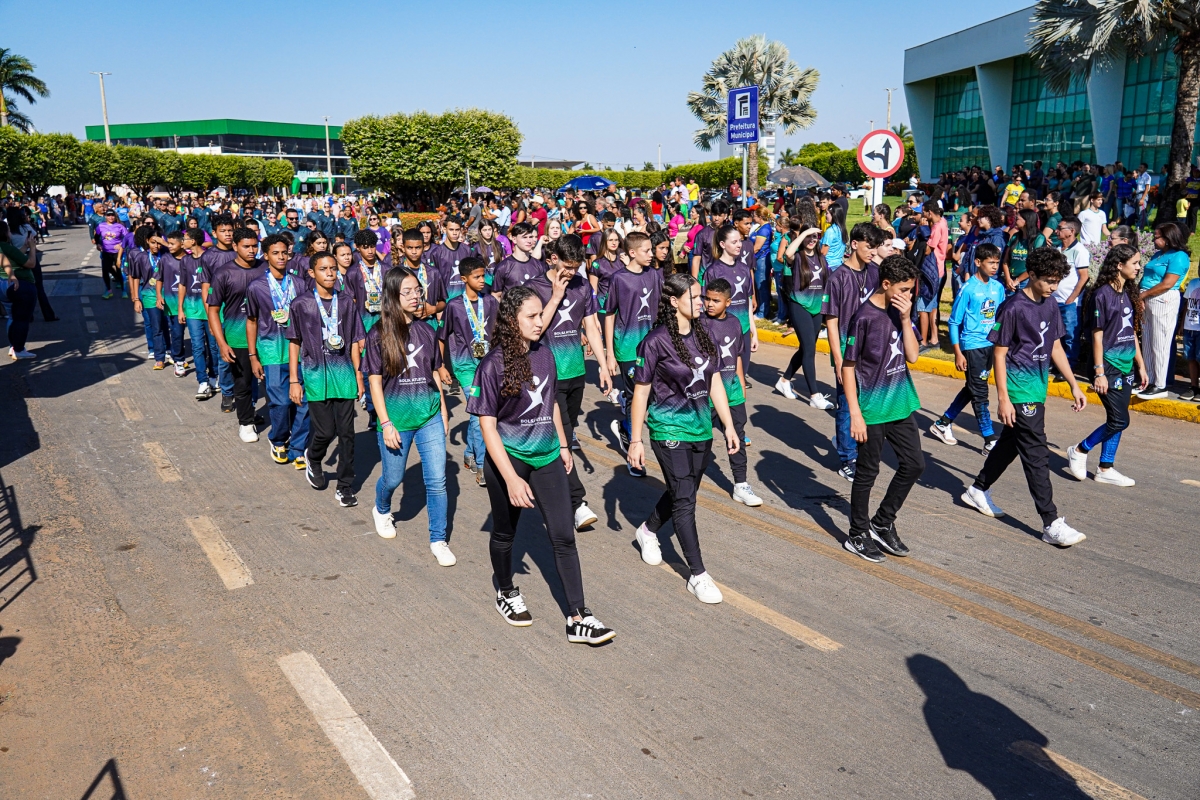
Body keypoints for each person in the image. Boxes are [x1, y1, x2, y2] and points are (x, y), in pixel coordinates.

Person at [465, 285, 616, 644]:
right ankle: (506, 590)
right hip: (510, 459)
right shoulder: (492, 364)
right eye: (531, 316)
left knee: (563, 536)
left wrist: (563, 444)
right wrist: (511, 479)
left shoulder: (545, 354)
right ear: (511, 321)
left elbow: (550, 405)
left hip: (547, 455)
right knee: (505, 533)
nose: (540, 322)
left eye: (540, 315)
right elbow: (487, 425)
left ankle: (578, 617)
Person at [959, 247, 1089, 548]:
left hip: (1037, 387)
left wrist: (1073, 384)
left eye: (1057, 281)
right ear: (1031, 275)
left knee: (1010, 443)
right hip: (1019, 390)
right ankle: (1050, 522)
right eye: (1048, 281)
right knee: (1036, 453)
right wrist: (1003, 398)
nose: (1054, 287)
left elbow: (1055, 345)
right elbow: (999, 354)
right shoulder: (1013, 307)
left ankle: (978, 490)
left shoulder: (1050, 304)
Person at [627, 273, 739, 604]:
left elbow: (714, 381)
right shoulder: (655, 341)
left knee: (682, 491)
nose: (701, 302)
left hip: (701, 428)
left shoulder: (705, 334)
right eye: (694, 297)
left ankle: (648, 530)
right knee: (686, 499)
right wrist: (636, 440)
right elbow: (640, 392)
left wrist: (729, 426)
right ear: (674, 302)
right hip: (668, 428)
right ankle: (698, 575)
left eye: (701, 296)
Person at [365, 267, 454, 566]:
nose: (416, 296)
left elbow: (433, 373)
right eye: (408, 292)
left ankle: (438, 539)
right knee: (393, 478)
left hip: (429, 415)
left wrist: (443, 409)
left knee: (438, 480)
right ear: (393, 296)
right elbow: (375, 382)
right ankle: (381, 508)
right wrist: (386, 423)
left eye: (418, 290)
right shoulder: (377, 334)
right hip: (396, 420)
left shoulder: (427, 330)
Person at [841, 254, 925, 562]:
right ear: (886, 284)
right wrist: (855, 414)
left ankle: (882, 522)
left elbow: (913, 356)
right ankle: (857, 534)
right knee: (867, 472)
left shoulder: (900, 312)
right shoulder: (864, 317)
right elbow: (847, 367)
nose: (908, 295)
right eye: (904, 290)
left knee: (914, 464)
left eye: (911, 290)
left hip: (900, 402)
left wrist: (905, 318)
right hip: (872, 408)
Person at [527, 234, 610, 530]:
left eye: (576, 267)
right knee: (561, 437)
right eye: (567, 266)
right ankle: (577, 503)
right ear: (553, 259)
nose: (571, 272)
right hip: (547, 376)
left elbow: (591, 327)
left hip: (575, 372)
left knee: (566, 435)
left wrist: (603, 365)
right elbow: (535, 331)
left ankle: (542, 479)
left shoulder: (582, 285)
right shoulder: (534, 288)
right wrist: (556, 296)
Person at [288, 252, 367, 507]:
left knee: (347, 434)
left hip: (344, 375)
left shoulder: (346, 302)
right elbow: (294, 342)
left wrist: (358, 375)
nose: (330, 273)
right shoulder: (301, 304)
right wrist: (294, 380)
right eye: (323, 269)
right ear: (312, 273)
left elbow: (354, 341)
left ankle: (345, 485)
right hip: (315, 375)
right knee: (325, 431)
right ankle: (314, 456)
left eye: (333, 268)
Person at [1066, 244, 1147, 487]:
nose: (1138, 267)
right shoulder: (1101, 294)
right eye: (1134, 263)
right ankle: (1080, 449)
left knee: (1117, 417)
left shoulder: (1128, 292)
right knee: (1120, 420)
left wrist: (1140, 365)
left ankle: (1105, 468)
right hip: (1107, 365)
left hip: (1126, 364)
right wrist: (1099, 372)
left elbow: (1131, 331)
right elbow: (1097, 336)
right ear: (1119, 265)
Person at [823, 223, 886, 481]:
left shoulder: (875, 273)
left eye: (876, 247)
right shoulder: (837, 278)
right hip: (846, 352)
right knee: (847, 405)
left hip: (871, 351)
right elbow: (831, 321)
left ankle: (861, 448)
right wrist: (838, 359)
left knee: (869, 402)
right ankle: (847, 457)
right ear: (854, 244)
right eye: (869, 246)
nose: (873, 252)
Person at [930, 243, 1005, 450]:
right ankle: (989, 439)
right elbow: (954, 322)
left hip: (991, 345)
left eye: (997, 263)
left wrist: (998, 338)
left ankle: (943, 423)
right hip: (972, 346)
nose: (995, 267)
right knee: (980, 392)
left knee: (973, 386)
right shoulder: (968, 289)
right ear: (978, 262)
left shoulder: (998, 288)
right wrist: (958, 352)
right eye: (990, 263)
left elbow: (1000, 318)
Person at [247, 233, 309, 467]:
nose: (281, 257)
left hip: (299, 352)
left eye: (284, 252)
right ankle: (278, 439)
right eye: (275, 253)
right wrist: (253, 356)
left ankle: (298, 446)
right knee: (281, 402)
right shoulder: (256, 287)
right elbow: (252, 321)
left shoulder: (300, 283)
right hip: (271, 351)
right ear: (266, 256)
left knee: (303, 402)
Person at [605, 231, 663, 475]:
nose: (651, 254)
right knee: (635, 397)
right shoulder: (619, 279)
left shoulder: (654, 274)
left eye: (651, 250)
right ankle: (633, 450)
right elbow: (609, 314)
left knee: (652, 396)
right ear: (632, 252)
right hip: (628, 348)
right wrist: (609, 353)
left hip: (653, 346)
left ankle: (625, 428)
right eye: (646, 250)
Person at [439, 256, 498, 487]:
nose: (482, 280)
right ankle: (483, 466)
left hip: (488, 366)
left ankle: (470, 452)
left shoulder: (490, 301)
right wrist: (441, 366)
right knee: (478, 413)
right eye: (477, 277)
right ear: (464, 279)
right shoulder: (454, 306)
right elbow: (441, 337)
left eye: (484, 275)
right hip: (465, 368)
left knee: (483, 413)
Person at [703, 278, 762, 507]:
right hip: (706, 396)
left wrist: (741, 384)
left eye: (715, 300)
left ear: (728, 302)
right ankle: (687, 480)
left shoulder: (735, 323)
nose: (709, 304)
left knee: (736, 437)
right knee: (700, 442)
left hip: (732, 393)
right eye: (707, 299)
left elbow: (736, 356)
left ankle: (740, 484)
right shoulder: (699, 323)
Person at [207, 228, 267, 441]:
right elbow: (213, 310)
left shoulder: (266, 268)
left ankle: (275, 421)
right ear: (235, 246)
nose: (252, 250)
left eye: (255, 246)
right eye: (246, 246)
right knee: (243, 383)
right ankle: (246, 423)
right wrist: (222, 343)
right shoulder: (223, 273)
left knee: (273, 383)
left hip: (267, 338)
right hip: (237, 338)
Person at [776, 227, 833, 408]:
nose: (811, 240)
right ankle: (815, 396)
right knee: (809, 349)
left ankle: (784, 380)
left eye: (815, 237)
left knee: (806, 349)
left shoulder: (821, 258)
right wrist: (803, 234)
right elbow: (788, 253)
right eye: (808, 236)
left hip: (816, 308)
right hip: (799, 305)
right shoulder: (798, 257)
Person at [1136, 222, 1190, 399]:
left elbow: (1167, 283)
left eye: (1157, 236)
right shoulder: (1158, 254)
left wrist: (1142, 296)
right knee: (1148, 341)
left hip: (1163, 299)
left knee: (1160, 343)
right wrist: (1140, 296)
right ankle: (1148, 380)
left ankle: (1160, 384)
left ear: (1168, 238)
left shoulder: (1179, 256)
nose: (1153, 239)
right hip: (1147, 299)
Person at [704, 224, 758, 401]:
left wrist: (753, 331)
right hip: (720, 332)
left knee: (740, 377)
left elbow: (748, 301)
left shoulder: (744, 268)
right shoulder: (713, 271)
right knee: (720, 378)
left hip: (743, 330)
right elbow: (707, 305)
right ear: (722, 244)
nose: (739, 245)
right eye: (734, 242)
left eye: (740, 241)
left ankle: (737, 409)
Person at [200, 214, 240, 412]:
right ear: (214, 233)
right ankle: (227, 392)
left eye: (230, 230)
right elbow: (205, 288)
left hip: (240, 314)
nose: (227, 234)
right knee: (224, 356)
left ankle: (245, 395)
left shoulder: (240, 251)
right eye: (223, 231)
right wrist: (210, 317)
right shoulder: (208, 257)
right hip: (220, 314)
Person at [178, 228, 218, 399]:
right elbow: (182, 285)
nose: (182, 242)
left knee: (213, 346)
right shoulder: (185, 260)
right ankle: (202, 381)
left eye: (185, 239)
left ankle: (214, 376)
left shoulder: (210, 257)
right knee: (197, 346)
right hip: (192, 310)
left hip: (210, 310)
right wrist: (181, 308)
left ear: (193, 241)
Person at [129, 227, 172, 369]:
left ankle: (171, 351)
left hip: (168, 295)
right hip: (149, 295)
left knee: (169, 325)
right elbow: (135, 277)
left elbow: (182, 251)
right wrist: (136, 299)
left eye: (158, 243)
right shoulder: (141, 257)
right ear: (147, 241)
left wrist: (165, 243)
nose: (156, 246)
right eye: (153, 242)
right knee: (156, 326)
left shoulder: (166, 254)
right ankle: (159, 357)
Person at [1053, 218, 1091, 372]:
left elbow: (1084, 277)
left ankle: (1068, 367)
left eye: (1060, 228)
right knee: (1056, 335)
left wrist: (1072, 298)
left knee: (1070, 335)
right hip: (1054, 300)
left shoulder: (1080, 251)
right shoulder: (1057, 249)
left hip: (1070, 303)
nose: (1056, 231)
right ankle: (1057, 364)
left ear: (1071, 231)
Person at [1, 221, 36, 359]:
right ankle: (19, 349)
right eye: (8, 230)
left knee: (12, 317)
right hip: (16, 284)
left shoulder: (4, 248)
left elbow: (15, 256)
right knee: (22, 318)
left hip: (2, 285)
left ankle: (13, 346)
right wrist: (32, 248)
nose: (10, 233)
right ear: (4, 233)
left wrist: (25, 246)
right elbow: (31, 263)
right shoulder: (5, 246)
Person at [157, 231, 189, 377]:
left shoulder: (190, 259)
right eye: (168, 243)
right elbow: (159, 279)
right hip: (173, 304)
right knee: (177, 333)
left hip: (192, 304)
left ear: (182, 244)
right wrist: (159, 296)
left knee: (198, 336)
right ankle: (179, 360)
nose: (168, 246)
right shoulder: (165, 259)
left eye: (172, 244)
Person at [1003, 210, 1043, 293]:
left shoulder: (1039, 238)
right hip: (1011, 280)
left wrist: (1017, 280)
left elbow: (1036, 265)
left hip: (1027, 281)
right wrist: (1008, 279)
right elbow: (1005, 261)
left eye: (1017, 219)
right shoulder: (1015, 237)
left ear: (1026, 221)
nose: (1015, 221)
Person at [95, 209, 128, 300]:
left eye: (112, 215)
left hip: (118, 253)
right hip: (106, 252)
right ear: (105, 216)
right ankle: (108, 290)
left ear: (115, 216)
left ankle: (124, 290)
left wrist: (121, 244)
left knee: (119, 270)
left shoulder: (120, 226)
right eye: (108, 215)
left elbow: (127, 237)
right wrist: (98, 244)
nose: (111, 217)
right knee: (105, 271)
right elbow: (96, 236)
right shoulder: (101, 226)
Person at [1181, 276, 1200, 401]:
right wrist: (1182, 324)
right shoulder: (1193, 283)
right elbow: (1187, 304)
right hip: (1189, 328)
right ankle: (1194, 387)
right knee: (1191, 357)